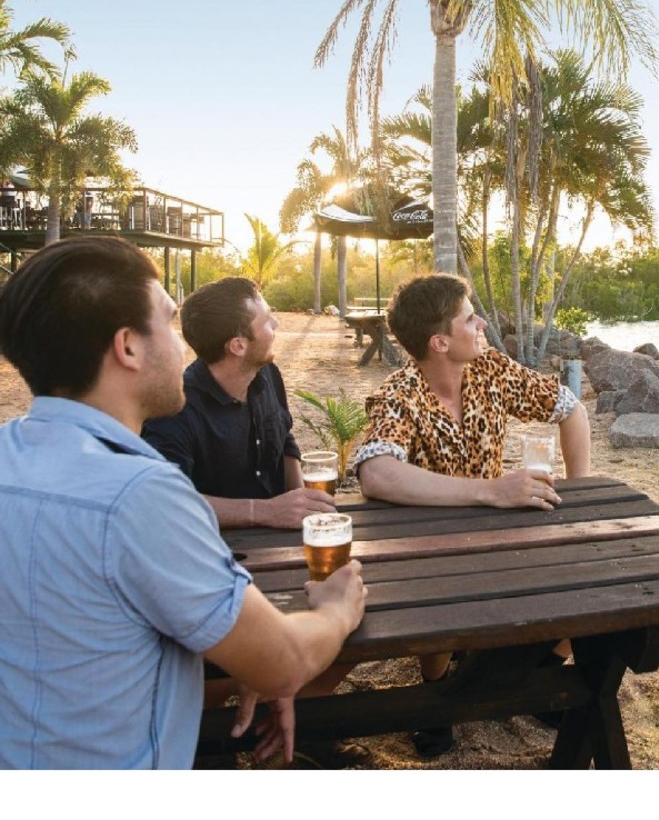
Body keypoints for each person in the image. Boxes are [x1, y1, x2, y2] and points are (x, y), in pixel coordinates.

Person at [0, 236, 366, 768]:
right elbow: (283, 663)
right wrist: (337, 608)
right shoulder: (140, 495)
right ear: (128, 347)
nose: (184, 345)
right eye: (170, 323)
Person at [354, 272, 591, 758]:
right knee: (437, 586)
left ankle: (542, 671)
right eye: (469, 318)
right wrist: (489, 491)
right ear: (440, 341)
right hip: (427, 546)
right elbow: (376, 474)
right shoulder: (400, 394)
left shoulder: (493, 372)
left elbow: (572, 410)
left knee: (589, 574)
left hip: (500, 533)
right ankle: (436, 691)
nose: (481, 322)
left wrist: (579, 492)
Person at [142, 276, 333, 529]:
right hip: (216, 552)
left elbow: (285, 439)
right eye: (266, 320)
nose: (275, 324)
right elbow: (165, 502)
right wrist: (264, 512)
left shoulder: (267, 373)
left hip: (282, 543)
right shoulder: (174, 410)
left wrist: (302, 506)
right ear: (238, 345)